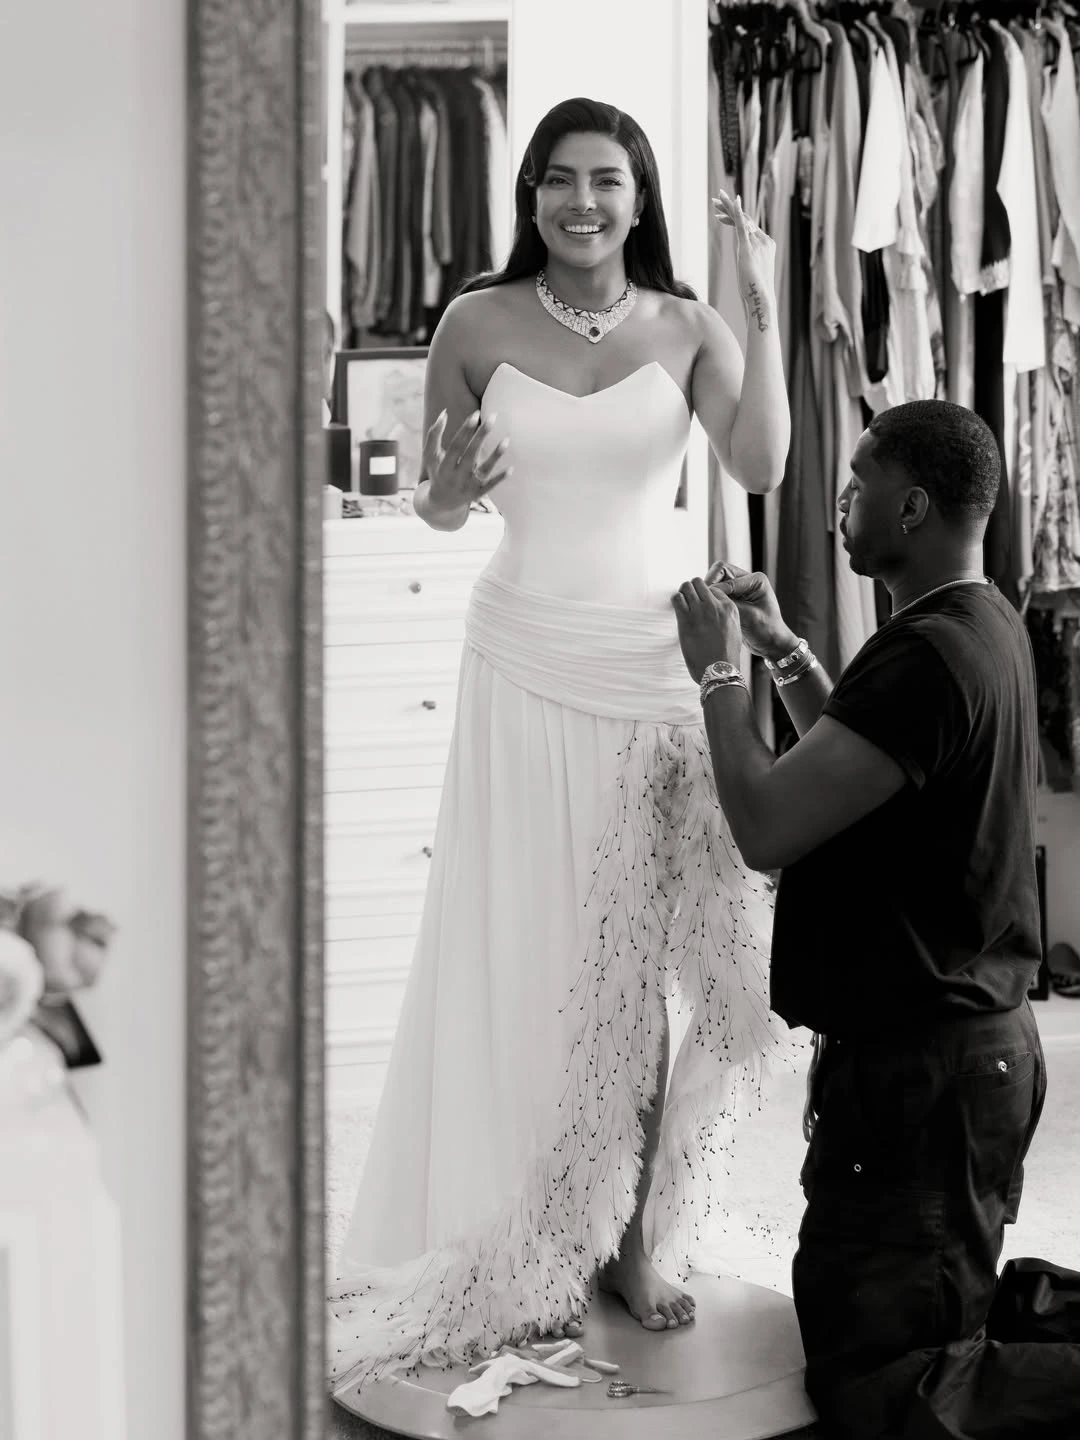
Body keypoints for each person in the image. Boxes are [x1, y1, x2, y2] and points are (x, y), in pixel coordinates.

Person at [327, 95, 796, 1395]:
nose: (581, 203)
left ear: (639, 200)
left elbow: (760, 462)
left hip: (647, 666)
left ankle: (627, 1244)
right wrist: (444, 494)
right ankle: (516, 1228)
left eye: (606, 181)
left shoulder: (690, 327)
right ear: (530, 194)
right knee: (517, 947)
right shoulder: (473, 324)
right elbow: (437, 506)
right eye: (558, 180)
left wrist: (758, 298)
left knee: (629, 964)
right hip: (519, 660)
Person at [672, 398, 1080, 1439]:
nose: (837, 503)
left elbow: (769, 824)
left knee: (890, 1386)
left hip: (930, 1077)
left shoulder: (931, 653)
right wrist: (780, 648)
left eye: (857, 483)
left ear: (913, 507)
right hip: (956, 1061)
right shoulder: (974, 623)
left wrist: (715, 670)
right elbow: (854, 771)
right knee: (910, 1320)